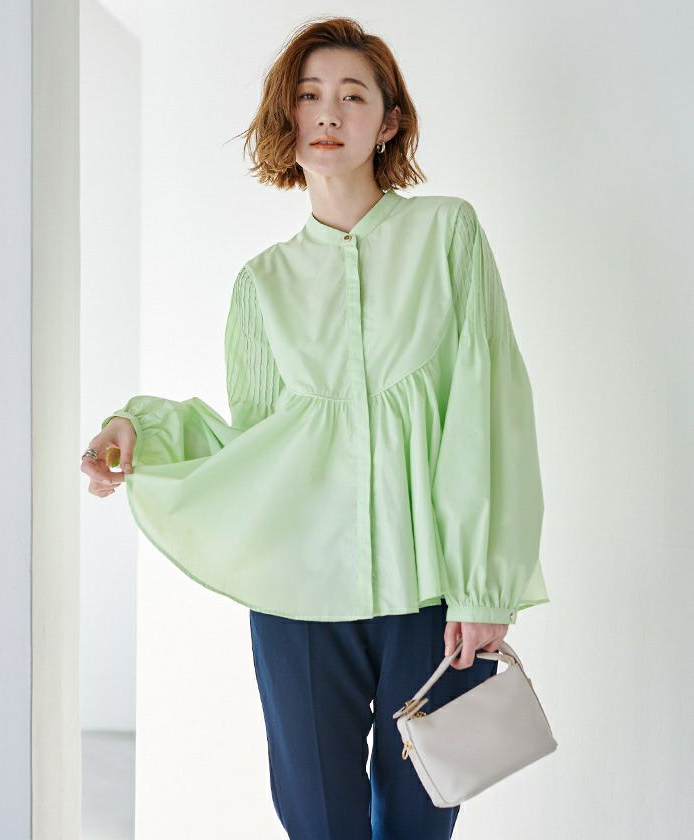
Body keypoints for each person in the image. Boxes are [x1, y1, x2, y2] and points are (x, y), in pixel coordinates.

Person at [80, 15, 549, 840]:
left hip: (432, 595)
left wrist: (484, 586)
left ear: (388, 121)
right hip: (295, 597)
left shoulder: (447, 236)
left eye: (352, 95)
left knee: (420, 813)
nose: (328, 112)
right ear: (287, 117)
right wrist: (138, 427)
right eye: (308, 95)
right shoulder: (262, 285)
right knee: (318, 822)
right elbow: (259, 448)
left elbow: (489, 408)